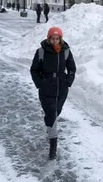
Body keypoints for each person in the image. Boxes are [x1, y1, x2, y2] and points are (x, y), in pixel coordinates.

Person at [30, 27, 76, 160]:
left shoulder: (66, 51)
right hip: (46, 90)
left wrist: (68, 81)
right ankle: (53, 148)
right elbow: (34, 70)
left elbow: (72, 68)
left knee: (55, 113)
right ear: (48, 38)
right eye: (52, 38)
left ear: (60, 39)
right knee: (52, 115)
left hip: (61, 90)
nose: (54, 41)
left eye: (57, 38)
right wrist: (40, 83)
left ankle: (50, 128)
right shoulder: (41, 52)